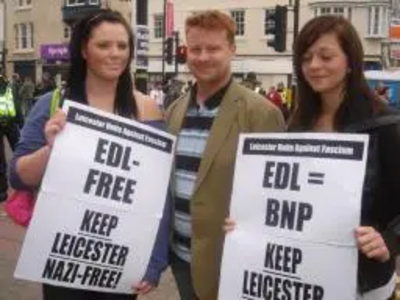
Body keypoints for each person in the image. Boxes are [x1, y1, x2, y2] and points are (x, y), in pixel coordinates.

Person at [226, 15, 400, 300]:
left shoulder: (386, 125)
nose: (314, 66)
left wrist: (388, 241)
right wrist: (248, 225)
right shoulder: (296, 125)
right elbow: (287, 197)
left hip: (364, 283)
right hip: (307, 278)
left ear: (350, 62)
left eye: (326, 56)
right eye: (306, 58)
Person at [9, 9, 169, 300]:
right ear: (84, 50)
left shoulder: (146, 110)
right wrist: (50, 149)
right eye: (104, 45)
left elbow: (159, 195)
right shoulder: (52, 104)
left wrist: (155, 261)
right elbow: (18, 176)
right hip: (64, 257)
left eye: (122, 46)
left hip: (120, 259)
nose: (115, 54)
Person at [165, 10, 285, 300]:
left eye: (213, 48)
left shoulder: (262, 113)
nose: (203, 57)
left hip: (231, 262)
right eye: (195, 49)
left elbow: (276, 195)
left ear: (232, 49)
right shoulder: (174, 110)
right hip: (181, 258)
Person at [0, 74, 21, 215]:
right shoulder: (9, 86)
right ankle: (2, 191)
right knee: (4, 159)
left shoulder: (9, 87)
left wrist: (21, 121)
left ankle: (23, 185)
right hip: (9, 124)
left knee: (19, 153)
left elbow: (16, 104)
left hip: (10, 124)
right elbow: (17, 105)